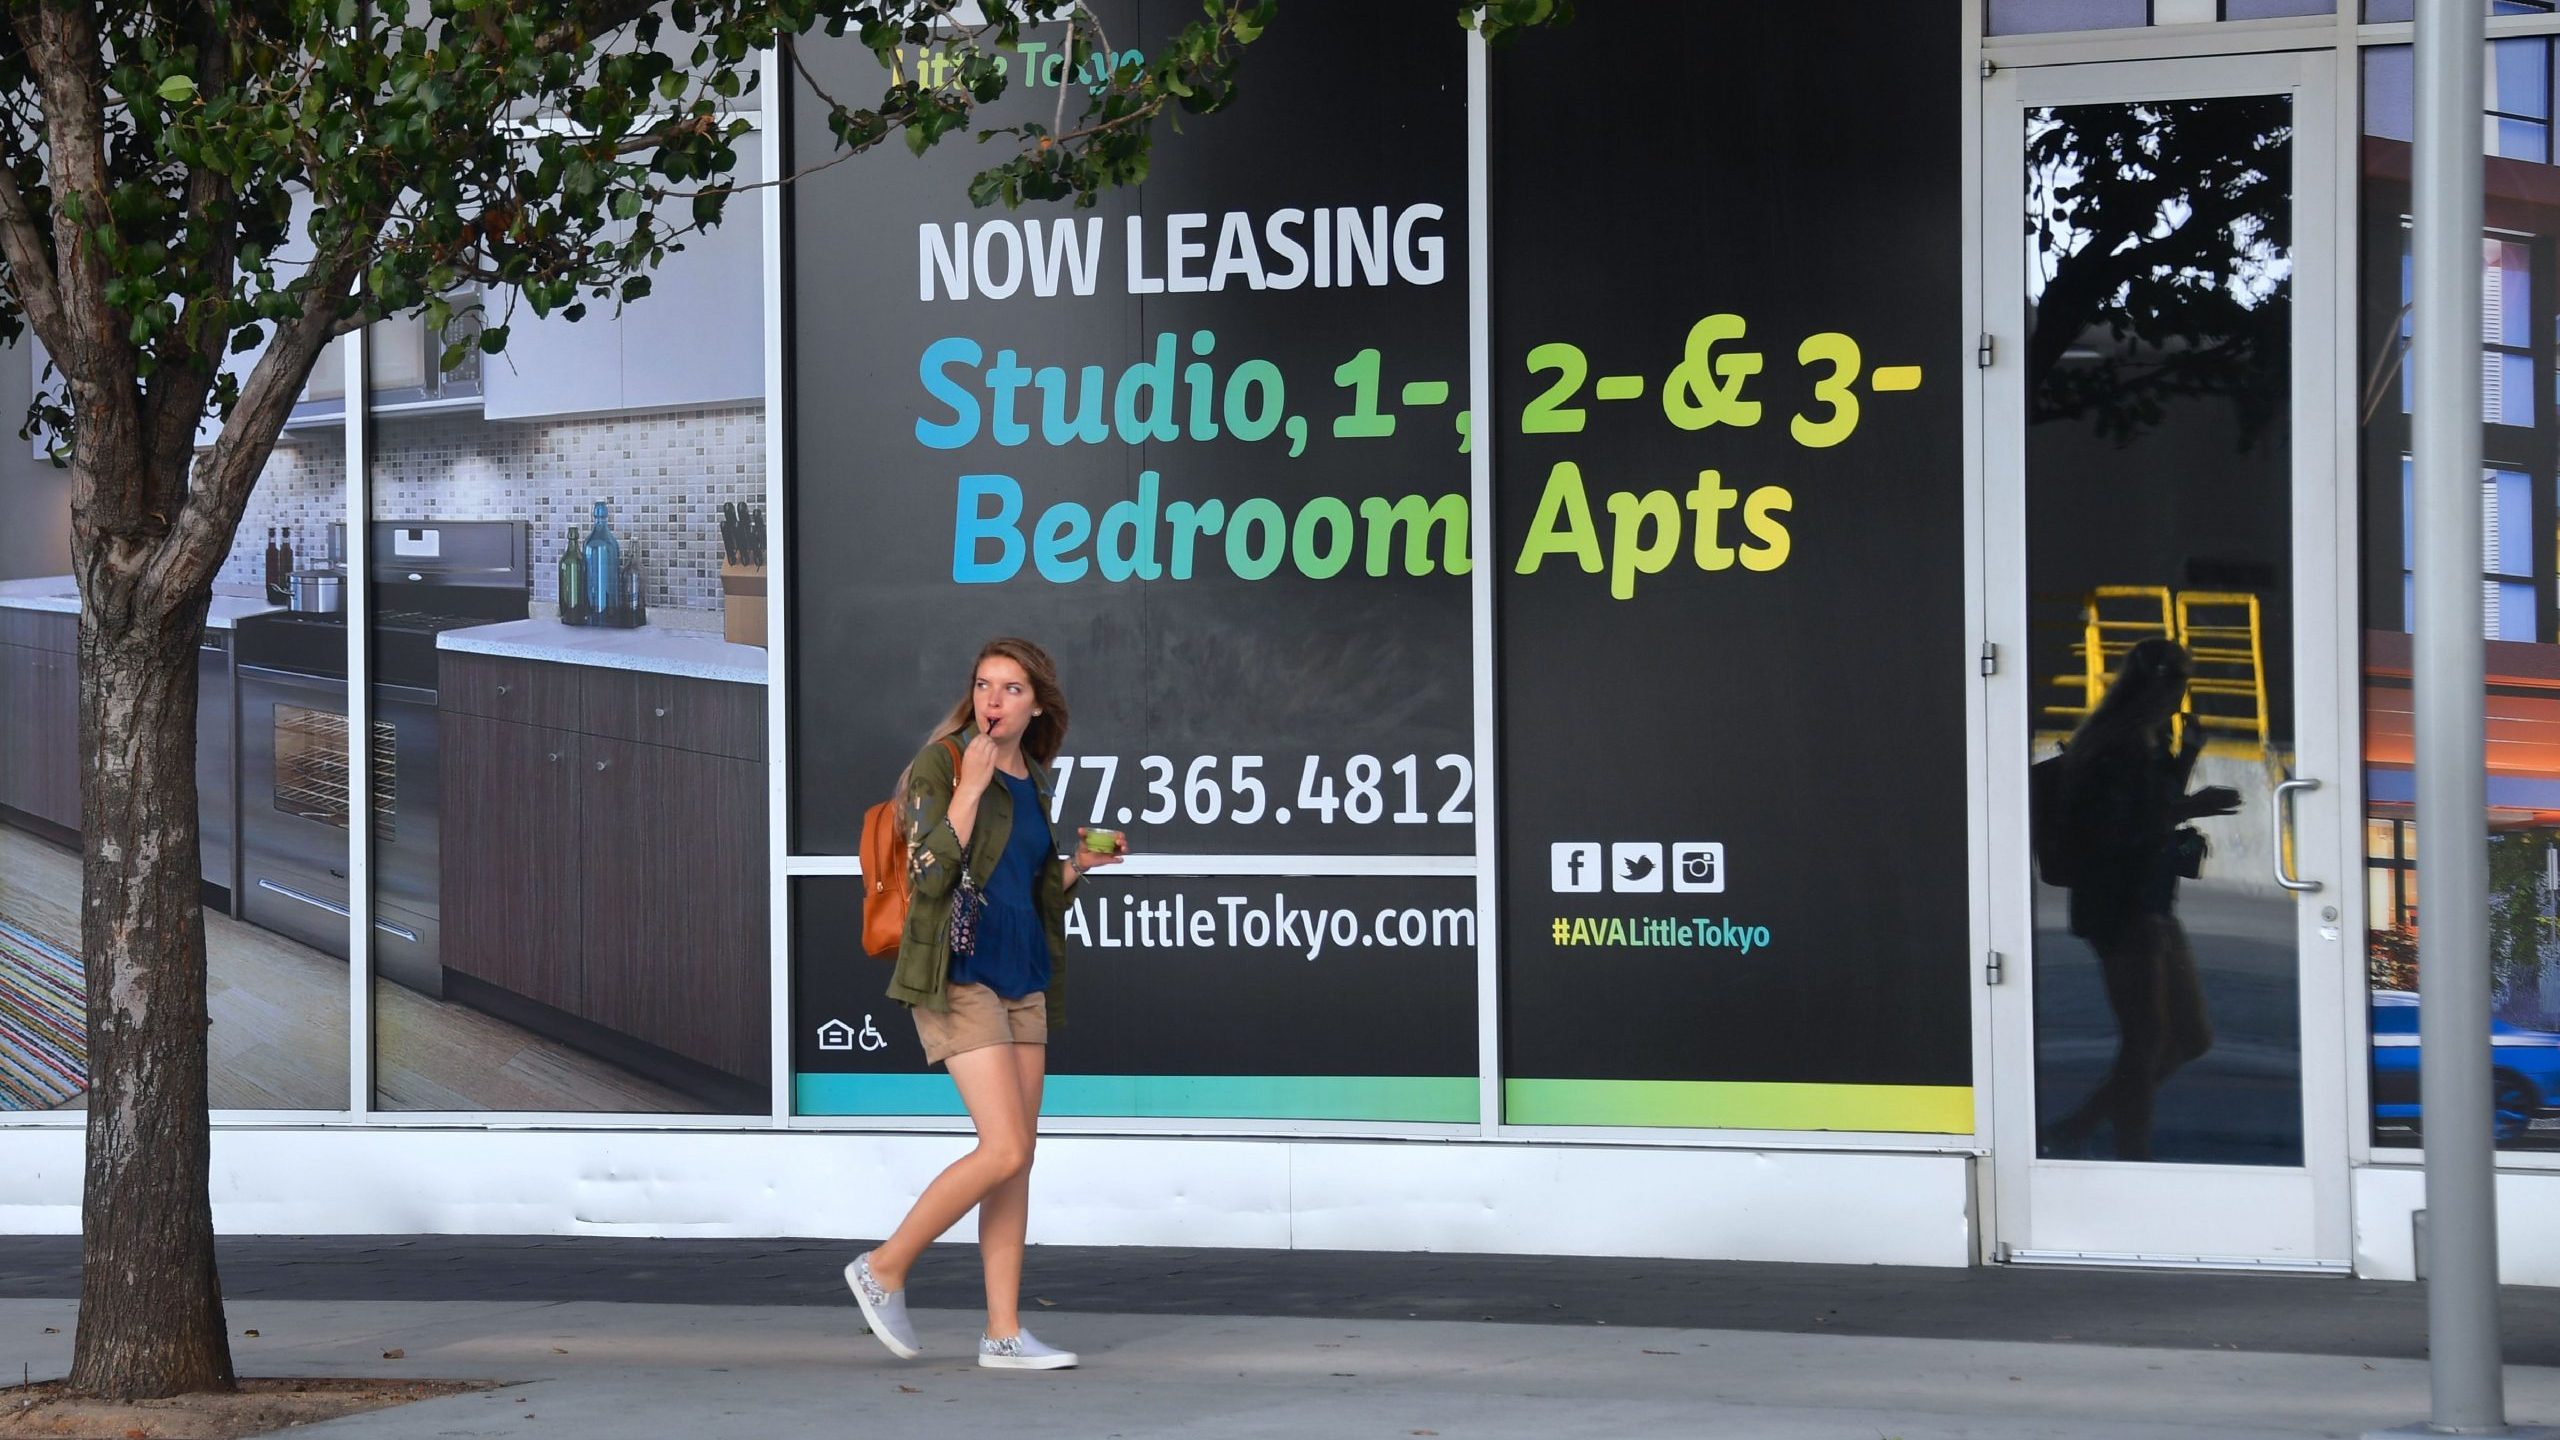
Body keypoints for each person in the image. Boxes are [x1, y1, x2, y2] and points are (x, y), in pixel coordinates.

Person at [844, 637, 1124, 1370]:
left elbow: (1029, 890)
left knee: (1018, 1160)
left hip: (1022, 973)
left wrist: (1078, 867)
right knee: (1002, 1147)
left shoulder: (1033, 776)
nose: (993, 702)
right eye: (982, 686)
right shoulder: (944, 764)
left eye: (1009, 689)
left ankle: (1003, 1333)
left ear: (1037, 705)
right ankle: (884, 1267)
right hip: (955, 971)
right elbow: (931, 875)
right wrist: (967, 787)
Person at [2040, 637, 2241, 1162]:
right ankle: (2132, 1155)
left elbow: (2156, 802)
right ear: (2157, 687)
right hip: (2120, 905)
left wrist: (2190, 753)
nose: (2182, 695)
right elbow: (2118, 827)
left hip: (2147, 900)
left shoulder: (2144, 737)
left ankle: (2080, 1127)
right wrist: (2193, 805)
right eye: (2178, 685)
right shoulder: (2115, 743)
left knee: (2187, 1037)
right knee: (2147, 1039)